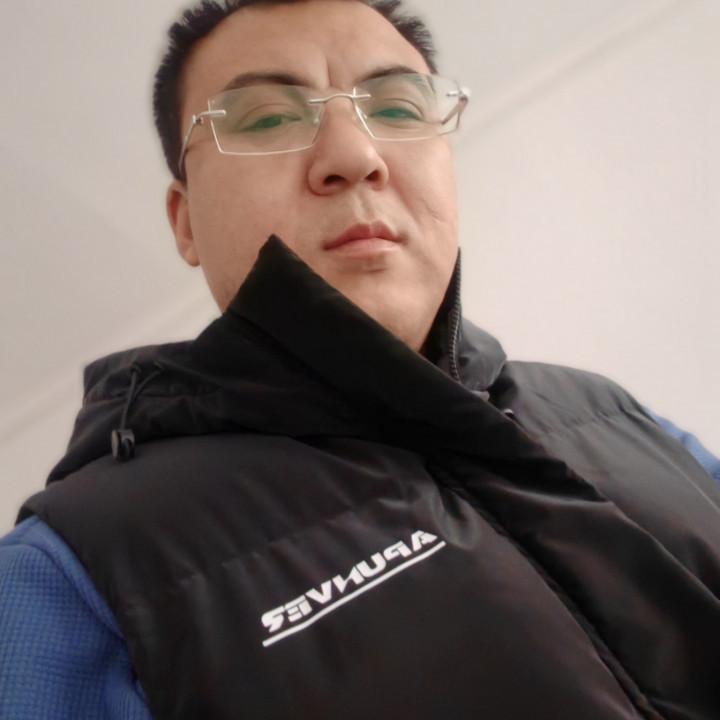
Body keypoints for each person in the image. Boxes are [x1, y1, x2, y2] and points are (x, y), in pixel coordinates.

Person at [1, 0, 719, 718]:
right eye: (266, 120)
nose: (355, 157)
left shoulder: (613, 413)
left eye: (399, 108)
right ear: (185, 221)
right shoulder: (75, 572)